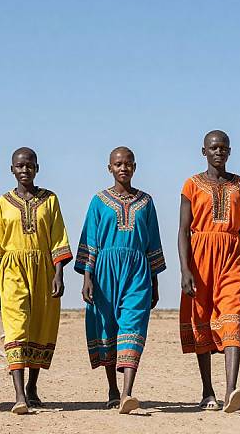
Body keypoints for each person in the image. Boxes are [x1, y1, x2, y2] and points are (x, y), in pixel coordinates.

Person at [75, 147, 166, 414]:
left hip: (138, 272)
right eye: (117, 164)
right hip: (104, 272)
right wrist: (87, 278)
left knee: (133, 326)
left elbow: (153, 242)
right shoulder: (98, 201)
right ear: (110, 168)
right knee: (107, 329)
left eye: (127, 164)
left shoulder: (146, 202)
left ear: (135, 167)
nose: (123, 168)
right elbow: (90, 241)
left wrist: (155, 281)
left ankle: (127, 392)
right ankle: (113, 389)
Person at [0, 147, 72, 414]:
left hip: (44, 269)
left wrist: (59, 274)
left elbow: (58, 239)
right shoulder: (3, 202)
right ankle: (19, 394)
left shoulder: (50, 200)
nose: (24, 170)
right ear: (11, 169)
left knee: (39, 327)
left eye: (29, 166)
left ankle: (33, 387)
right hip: (12, 270)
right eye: (19, 166)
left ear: (37, 168)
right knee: (17, 329)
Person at [179, 130, 240, 413]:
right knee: (200, 318)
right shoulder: (191, 185)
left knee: (232, 317)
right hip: (200, 257)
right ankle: (207, 391)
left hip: (233, 256)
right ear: (204, 151)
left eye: (223, 148)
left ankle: (230, 391)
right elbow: (183, 231)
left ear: (229, 151)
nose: (219, 152)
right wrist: (184, 269)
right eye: (213, 148)